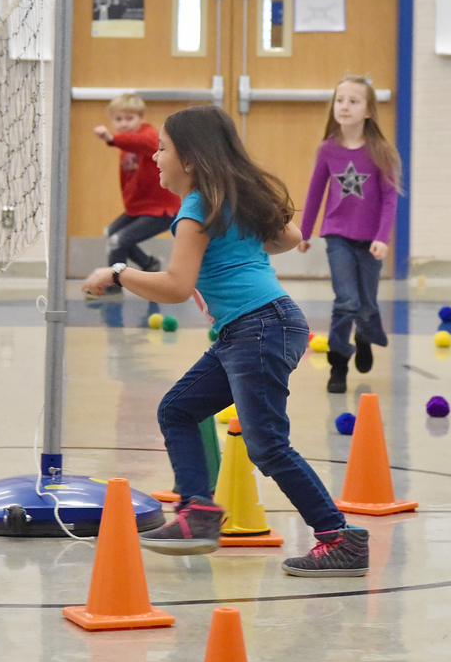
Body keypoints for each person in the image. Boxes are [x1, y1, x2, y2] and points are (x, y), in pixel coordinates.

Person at [81, 105, 369, 577]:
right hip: (260, 326)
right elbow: (290, 237)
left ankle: (340, 539)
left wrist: (116, 273)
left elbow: (176, 286)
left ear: (189, 159)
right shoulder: (231, 200)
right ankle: (197, 512)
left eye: (162, 149)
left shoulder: (196, 208)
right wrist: (240, 244)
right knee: (178, 410)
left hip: (259, 328)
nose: (154, 158)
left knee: (267, 444)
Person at [297, 75, 401, 392]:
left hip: (370, 240)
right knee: (346, 301)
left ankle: (365, 335)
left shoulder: (381, 151)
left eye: (353, 101)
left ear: (368, 111)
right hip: (337, 235)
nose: (344, 106)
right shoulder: (328, 150)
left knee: (366, 305)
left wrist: (382, 237)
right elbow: (315, 193)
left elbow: (390, 199)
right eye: (340, 100)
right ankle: (338, 363)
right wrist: (304, 233)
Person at [91, 92, 181, 285]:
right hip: (139, 208)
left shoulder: (150, 136)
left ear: (142, 118)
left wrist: (111, 138)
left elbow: (143, 143)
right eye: (118, 119)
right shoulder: (126, 144)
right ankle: (148, 264)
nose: (124, 124)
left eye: (129, 118)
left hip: (161, 210)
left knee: (118, 240)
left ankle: (113, 286)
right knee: (111, 233)